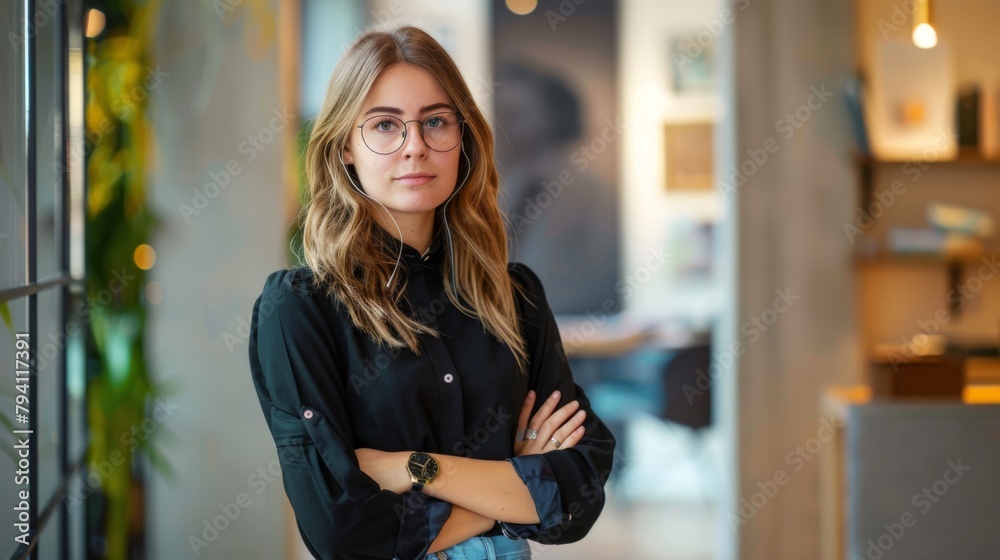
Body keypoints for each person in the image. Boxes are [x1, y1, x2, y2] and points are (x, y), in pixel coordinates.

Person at [247, 26, 616, 560]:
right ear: (345, 147)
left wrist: (414, 467)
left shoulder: (516, 298)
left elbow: (580, 491)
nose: (415, 146)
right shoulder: (301, 310)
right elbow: (345, 534)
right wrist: (513, 491)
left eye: (436, 122)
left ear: (462, 139)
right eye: (384, 125)